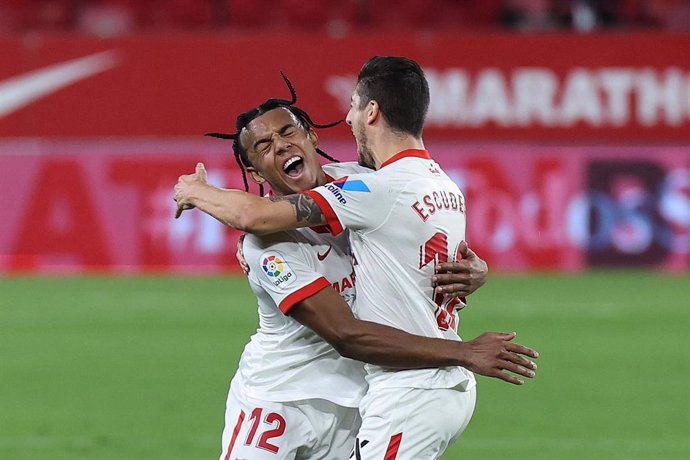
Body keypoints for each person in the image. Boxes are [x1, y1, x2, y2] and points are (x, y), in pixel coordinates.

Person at [174, 63, 538, 459]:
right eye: (263, 147)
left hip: (356, 403)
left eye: (288, 132)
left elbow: (418, 223)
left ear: (311, 135)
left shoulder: (359, 185)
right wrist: (196, 191)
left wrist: (476, 267)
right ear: (253, 171)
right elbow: (345, 333)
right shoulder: (269, 247)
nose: (280, 146)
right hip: (279, 404)